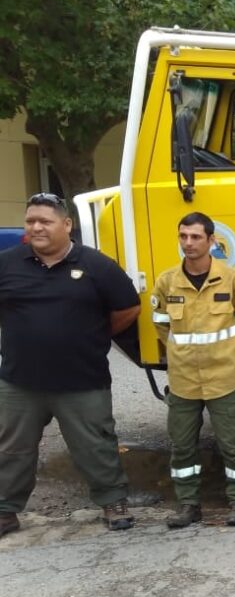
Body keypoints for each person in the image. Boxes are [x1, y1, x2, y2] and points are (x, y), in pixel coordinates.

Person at [0, 192, 140, 537]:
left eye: (45, 221)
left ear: (66, 225)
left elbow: (128, 308)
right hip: (20, 381)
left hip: (82, 379)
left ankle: (113, 502)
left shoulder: (97, 265)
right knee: (11, 448)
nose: (36, 227)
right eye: (31, 221)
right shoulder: (7, 263)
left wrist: (90, 335)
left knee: (96, 444)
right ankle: (5, 510)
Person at [152, 212, 235, 528]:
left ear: (212, 241)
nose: (189, 243)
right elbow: (161, 325)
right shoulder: (167, 282)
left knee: (234, 443)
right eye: (183, 236)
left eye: (196, 237)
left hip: (225, 377)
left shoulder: (233, 280)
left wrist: (227, 354)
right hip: (183, 380)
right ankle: (188, 505)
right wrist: (183, 353)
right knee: (182, 446)